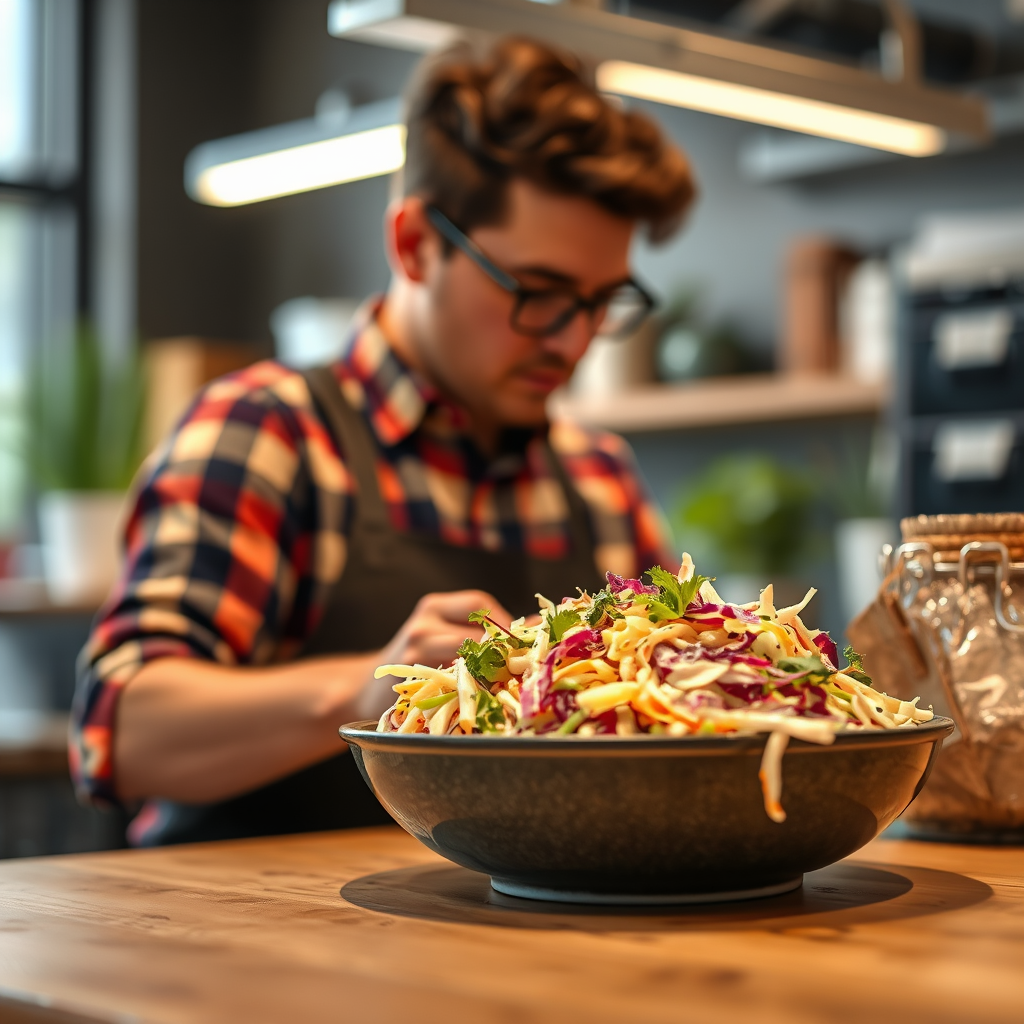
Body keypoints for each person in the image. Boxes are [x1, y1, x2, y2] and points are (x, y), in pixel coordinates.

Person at [70, 36, 696, 845]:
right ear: (413, 243)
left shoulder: (598, 476)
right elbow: (122, 733)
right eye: (538, 293)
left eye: (602, 300)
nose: (571, 340)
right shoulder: (267, 434)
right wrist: (367, 691)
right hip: (246, 946)